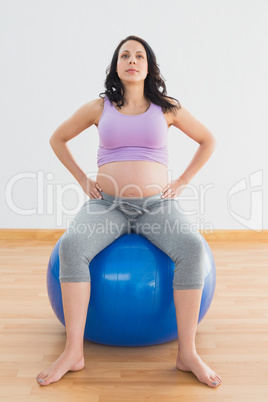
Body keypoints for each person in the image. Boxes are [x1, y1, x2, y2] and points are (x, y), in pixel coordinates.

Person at [36, 35, 222, 388]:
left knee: (193, 249)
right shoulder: (99, 107)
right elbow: (57, 138)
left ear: (149, 66)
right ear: (116, 65)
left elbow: (208, 140)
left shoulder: (167, 107)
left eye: (139, 55)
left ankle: (187, 353)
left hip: (156, 206)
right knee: (72, 247)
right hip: (107, 205)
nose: (132, 60)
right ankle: (74, 351)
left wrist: (182, 180)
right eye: (125, 55)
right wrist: (81, 179)